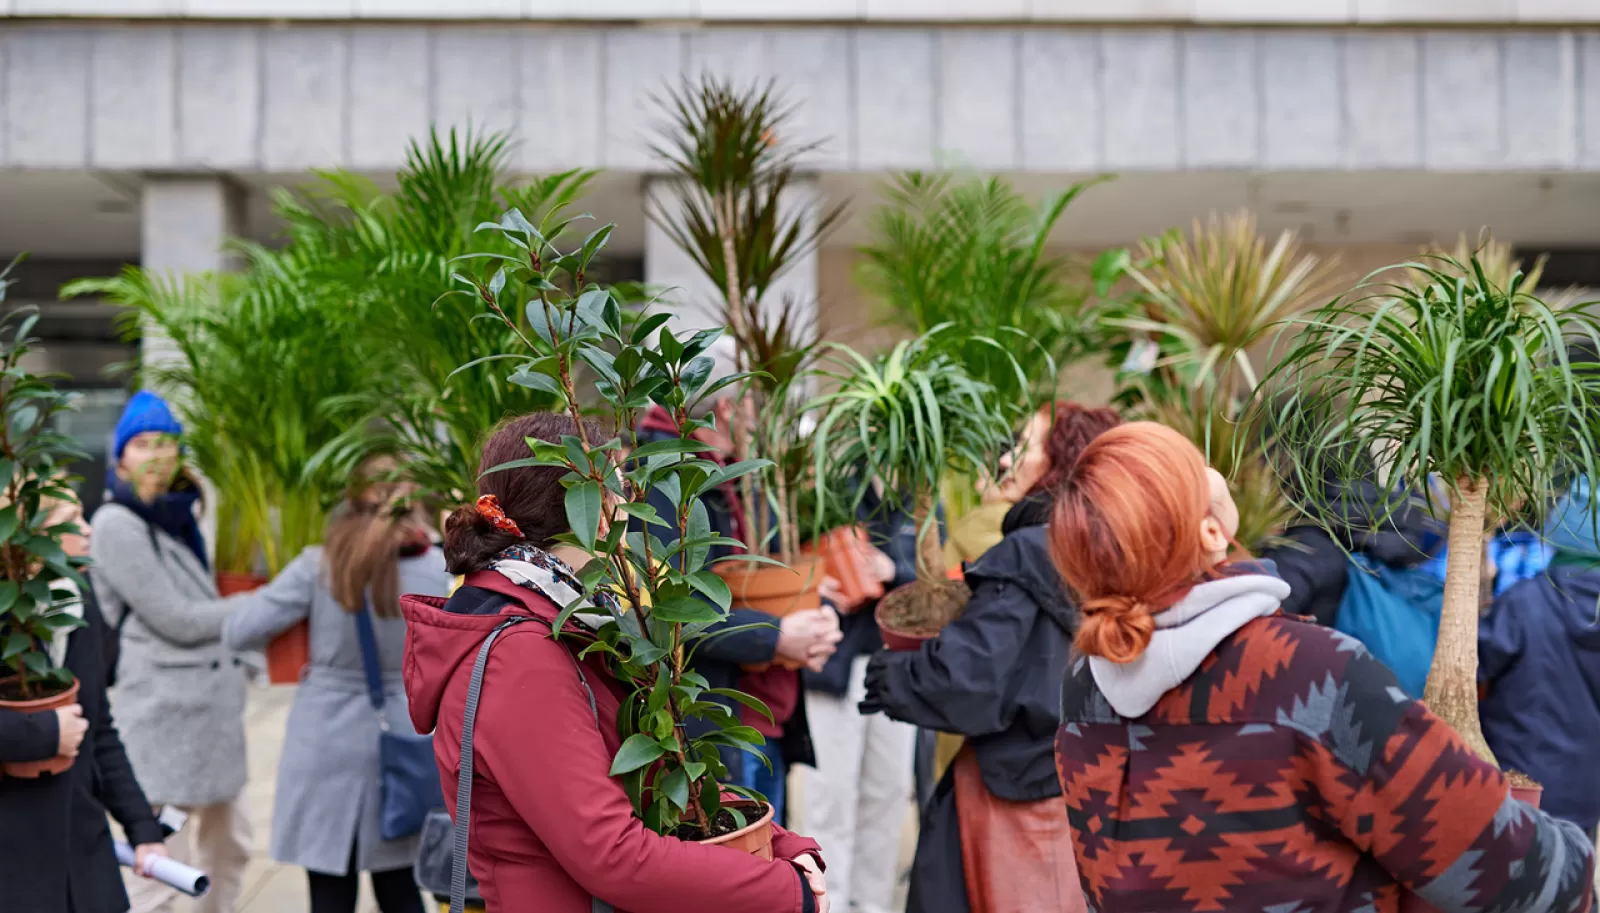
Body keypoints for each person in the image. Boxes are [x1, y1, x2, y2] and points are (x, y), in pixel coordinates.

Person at [1050, 421, 1595, 913]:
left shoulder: (1086, 685)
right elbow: (1493, 862)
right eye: (1198, 467)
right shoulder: (1306, 674)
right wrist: (1577, 864)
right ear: (1211, 534)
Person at [401, 412, 829, 913]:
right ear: (591, 509)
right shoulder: (520, 657)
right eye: (622, 487)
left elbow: (655, 774)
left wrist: (783, 847)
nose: (632, 506)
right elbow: (611, 854)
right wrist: (784, 892)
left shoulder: (568, 617)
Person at [859, 401, 1119, 913]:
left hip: (1014, 792)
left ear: (1062, 460)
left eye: (1025, 447)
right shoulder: (1108, 550)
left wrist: (889, 675)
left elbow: (966, 679)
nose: (1006, 461)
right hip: (1088, 788)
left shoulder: (1028, 549)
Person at [222, 461, 451, 913]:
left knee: (329, 890)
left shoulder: (319, 564)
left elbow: (239, 630)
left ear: (352, 498)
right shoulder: (438, 568)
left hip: (324, 742)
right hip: (404, 736)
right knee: (402, 888)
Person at [635, 396, 840, 823]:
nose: (766, 417)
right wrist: (776, 635)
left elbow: (756, 575)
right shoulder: (666, 474)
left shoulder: (730, 471)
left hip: (763, 705)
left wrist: (812, 608)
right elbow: (670, 608)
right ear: (729, 405)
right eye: (760, 404)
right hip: (717, 719)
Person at [90, 391, 253, 913]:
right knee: (161, 871)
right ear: (120, 456)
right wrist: (261, 605)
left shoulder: (177, 519)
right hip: (163, 720)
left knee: (228, 852)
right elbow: (176, 619)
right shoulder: (117, 523)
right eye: (142, 444)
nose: (157, 454)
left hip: (206, 717)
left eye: (167, 443)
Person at [0, 487, 168, 913]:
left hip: (83, 857)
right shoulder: (8, 615)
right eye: (72, 519)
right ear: (30, 534)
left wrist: (141, 826)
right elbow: (61, 729)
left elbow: (99, 728)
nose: (89, 529)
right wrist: (46, 734)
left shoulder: (81, 603)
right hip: (15, 864)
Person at [798, 485, 917, 913]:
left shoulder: (919, 493)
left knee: (888, 793)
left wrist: (895, 571)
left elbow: (937, 586)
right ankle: (829, 904)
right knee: (830, 795)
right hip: (836, 662)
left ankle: (872, 905)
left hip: (897, 665)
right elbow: (789, 555)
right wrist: (815, 580)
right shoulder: (832, 485)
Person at [1479, 477, 1600, 839]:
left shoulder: (1526, 601)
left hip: (1519, 785)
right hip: (1587, 790)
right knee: (1571, 878)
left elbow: (1473, 667)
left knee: (1512, 880)